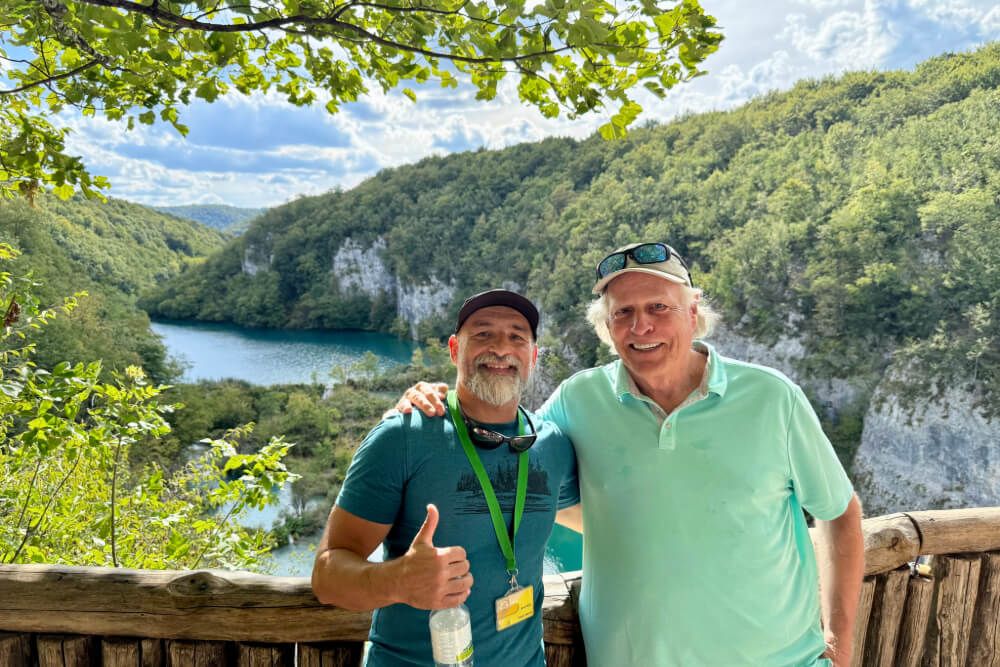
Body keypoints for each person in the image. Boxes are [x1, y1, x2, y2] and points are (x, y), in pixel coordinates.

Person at [397, 242, 866, 666]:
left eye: (658, 307)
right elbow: (506, 454)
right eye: (623, 313)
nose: (641, 326)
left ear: (692, 311)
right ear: (608, 327)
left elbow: (839, 512)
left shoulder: (772, 398)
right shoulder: (580, 399)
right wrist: (434, 405)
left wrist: (839, 641)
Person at [312, 289, 580, 667]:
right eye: (483, 334)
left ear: (533, 356)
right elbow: (326, 576)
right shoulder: (402, 437)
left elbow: (594, 520)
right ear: (455, 350)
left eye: (517, 337)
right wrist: (398, 581)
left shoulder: (553, 445)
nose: (501, 348)